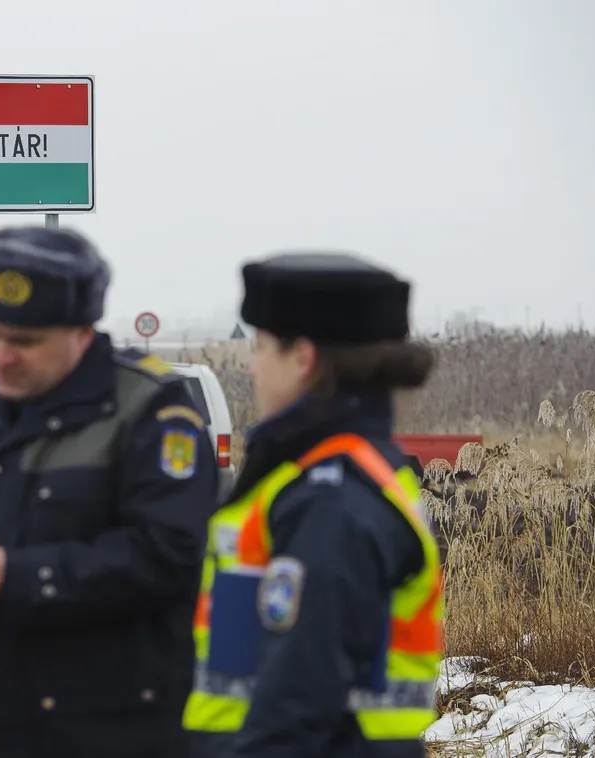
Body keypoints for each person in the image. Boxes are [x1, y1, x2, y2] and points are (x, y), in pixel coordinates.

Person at [0, 225, 219, 758]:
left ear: (82, 334)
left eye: (24, 342)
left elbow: (169, 558)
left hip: (116, 736)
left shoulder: (150, 413)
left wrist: (14, 576)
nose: (0, 356)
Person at [182, 251, 444, 758]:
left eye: (259, 349)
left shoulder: (330, 497)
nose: (252, 368)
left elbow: (298, 697)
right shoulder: (326, 474)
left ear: (302, 359)